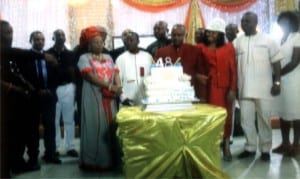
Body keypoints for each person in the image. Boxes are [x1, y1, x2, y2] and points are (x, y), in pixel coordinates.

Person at [234, 11, 283, 161]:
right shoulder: (237, 42)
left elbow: (276, 63)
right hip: (243, 87)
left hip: (264, 88)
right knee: (246, 120)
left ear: (256, 23)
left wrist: (277, 82)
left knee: (264, 119)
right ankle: (249, 147)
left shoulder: (268, 40)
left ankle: (265, 149)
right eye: (242, 21)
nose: (244, 23)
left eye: (247, 21)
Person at [77, 26, 122, 171]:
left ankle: (112, 159)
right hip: (93, 96)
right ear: (89, 44)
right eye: (95, 42)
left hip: (110, 98)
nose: (99, 44)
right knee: (95, 126)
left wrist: (118, 87)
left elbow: (115, 72)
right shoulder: (84, 58)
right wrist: (109, 86)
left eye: (101, 42)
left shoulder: (108, 57)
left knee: (112, 127)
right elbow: (89, 76)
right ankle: (95, 161)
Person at [197, 18, 237, 161]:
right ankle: (212, 147)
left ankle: (226, 146)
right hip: (208, 89)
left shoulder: (229, 48)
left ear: (220, 35)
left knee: (227, 118)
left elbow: (233, 69)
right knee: (211, 119)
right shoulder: (200, 47)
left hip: (225, 89)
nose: (210, 35)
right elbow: (197, 67)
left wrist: (233, 89)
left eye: (213, 33)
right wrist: (197, 76)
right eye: (208, 33)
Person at [24, 31, 61, 164]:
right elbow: (23, 78)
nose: (40, 42)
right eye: (36, 39)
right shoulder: (26, 57)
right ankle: (33, 157)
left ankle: (50, 154)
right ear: (31, 41)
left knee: (50, 127)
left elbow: (57, 76)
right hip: (33, 98)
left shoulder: (50, 57)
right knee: (32, 128)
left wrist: (50, 90)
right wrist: (37, 91)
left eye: (42, 39)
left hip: (49, 97)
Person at [272, 11, 300, 156]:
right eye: (281, 22)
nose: (283, 24)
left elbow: (295, 62)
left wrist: (277, 74)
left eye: (285, 21)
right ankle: (285, 143)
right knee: (282, 111)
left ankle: (296, 145)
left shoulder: (297, 37)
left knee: (295, 113)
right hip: (281, 81)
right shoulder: (281, 38)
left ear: (292, 22)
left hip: (294, 80)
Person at [47, 29, 78, 157]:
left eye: (62, 35)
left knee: (69, 119)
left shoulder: (71, 54)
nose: (60, 37)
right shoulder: (47, 53)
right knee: (54, 119)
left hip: (68, 88)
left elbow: (73, 72)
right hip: (53, 89)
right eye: (57, 35)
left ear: (65, 38)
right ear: (53, 38)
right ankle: (56, 148)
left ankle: (70, 147)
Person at [154, 24, 202, 98]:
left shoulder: (195, 51)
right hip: (168, 92)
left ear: (185, 35)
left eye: (179, 35)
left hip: (190, 91)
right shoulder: (161, 52)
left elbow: (200, 72)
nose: (176, 37)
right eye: (174, 35)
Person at [116, 31, 153, 106]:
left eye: (131, 40)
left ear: (138, 41)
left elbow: (153, 75)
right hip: (128, 99)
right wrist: (122, 97)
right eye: (127, 41)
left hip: (147, 97)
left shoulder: (147, 56)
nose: (129, 42)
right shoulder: (121, 58)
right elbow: (117, 80)